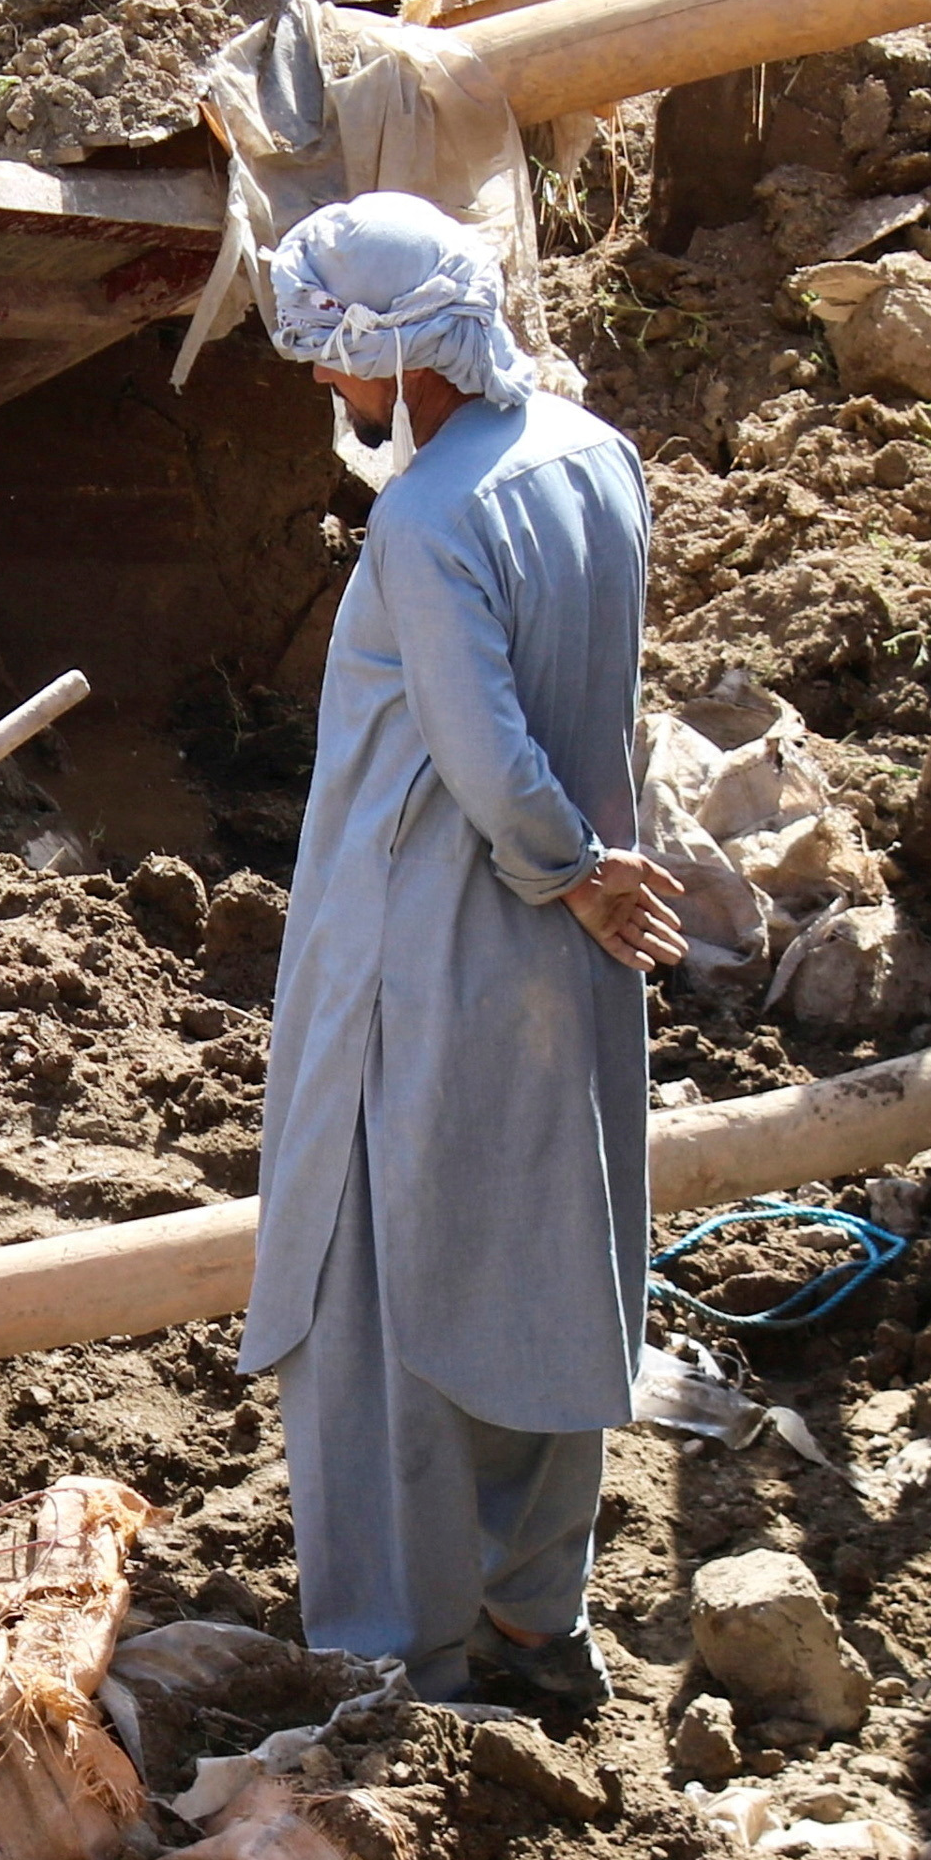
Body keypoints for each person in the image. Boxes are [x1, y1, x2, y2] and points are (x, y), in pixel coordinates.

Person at [239, 195, 684, 1722]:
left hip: (425, 943)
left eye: (331, 358)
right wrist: (594, 887)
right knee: (548, 1251)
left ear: (395, 356)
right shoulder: (593, 453)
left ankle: (402, 1648)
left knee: (390, 1291)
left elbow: (487, 759)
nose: (324, 388)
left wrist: (564, 870)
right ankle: (532, 1613)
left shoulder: (426, 520)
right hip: (569, 964)